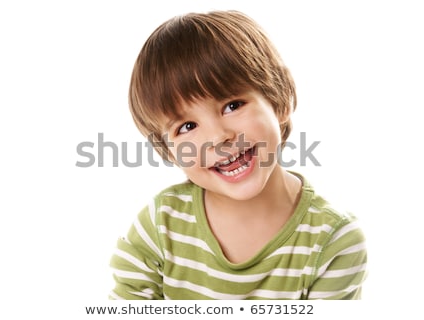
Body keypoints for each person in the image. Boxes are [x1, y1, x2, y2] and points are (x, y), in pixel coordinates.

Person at [109, 10, 367, 300]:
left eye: (232, 105)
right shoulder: (159, 226)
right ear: (169, 151)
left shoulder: (333, 239)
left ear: (278, 100)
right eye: (187, 126)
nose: (218, 137)